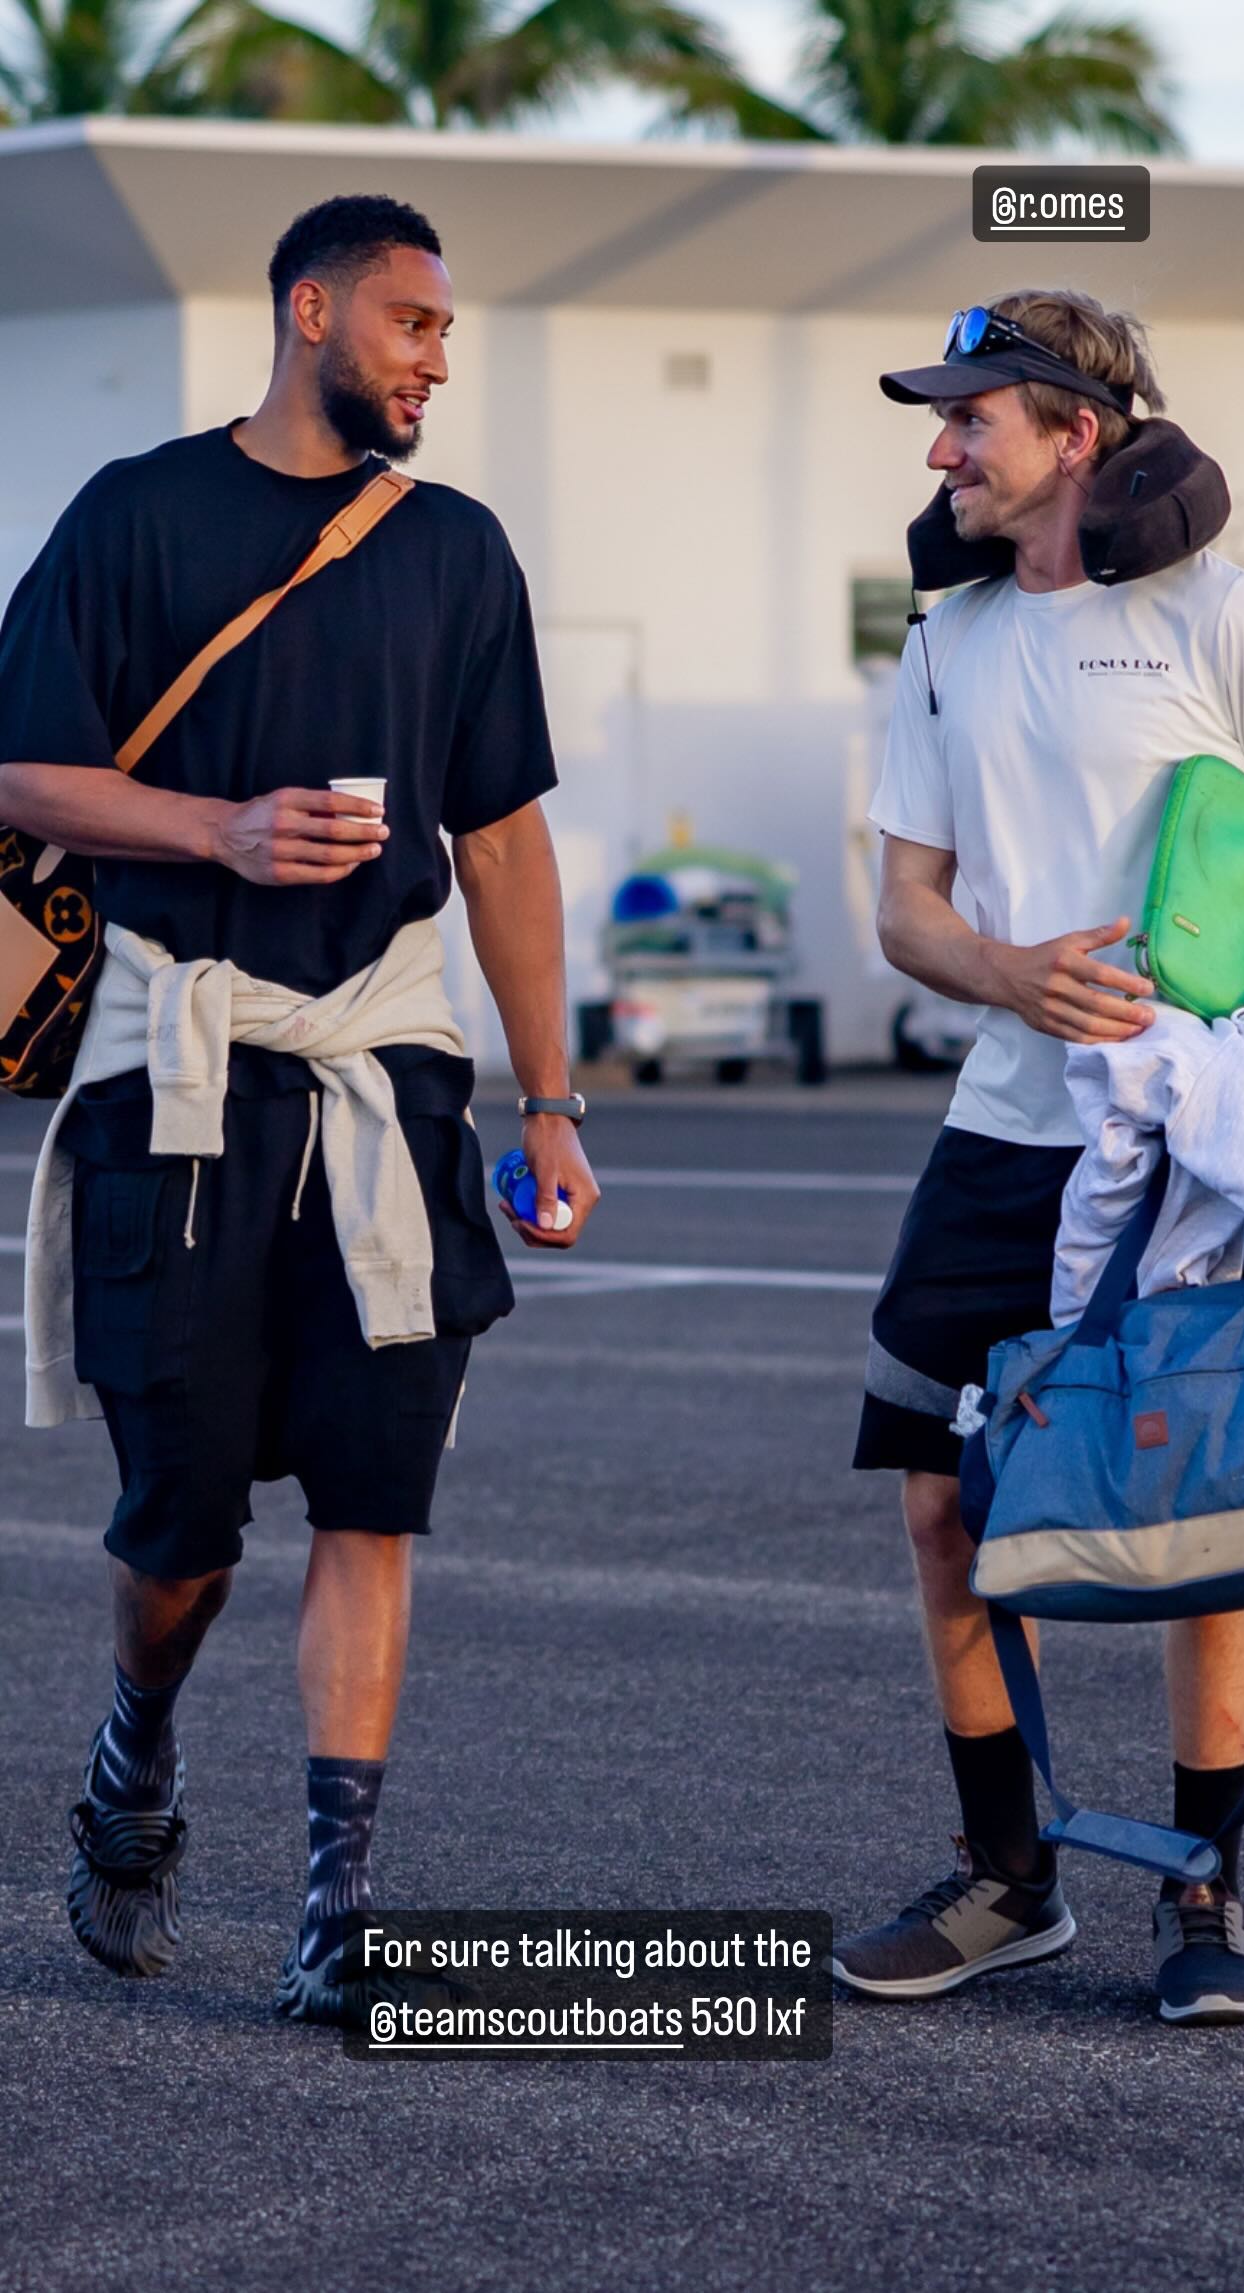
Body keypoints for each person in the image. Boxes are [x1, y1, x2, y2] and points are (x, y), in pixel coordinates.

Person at [0, 194, 599, 2027]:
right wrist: (218, 830)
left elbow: (500, 840)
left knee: (372, 1493)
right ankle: (138, 1746)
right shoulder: (136, 513)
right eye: (411, 320)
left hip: (387, 1073)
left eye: (446, 331)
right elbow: (22, 762)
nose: (434, 355)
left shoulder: (462, 554)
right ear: (310, 309)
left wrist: (553, 1099)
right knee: (179, 1521)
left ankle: (341, 1898)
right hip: (171, 1068)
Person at [836, 288, 1244, 2026]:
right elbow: (905, 909)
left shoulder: (1227, 617)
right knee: (942, 1491)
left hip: (1192, 1149)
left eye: (969, 418)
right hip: (1005, 1126)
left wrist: (1235, 1040)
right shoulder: (941, 642)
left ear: (1072, 434)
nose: (941, 448)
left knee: (1210, 1505)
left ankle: (1204, 1893)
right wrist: (1007, 976)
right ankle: (1006, 1877)